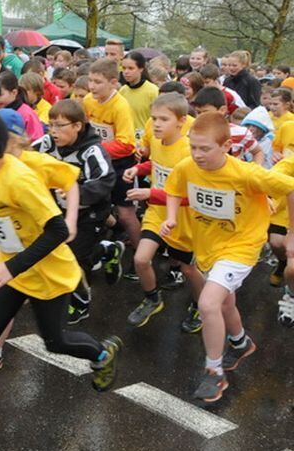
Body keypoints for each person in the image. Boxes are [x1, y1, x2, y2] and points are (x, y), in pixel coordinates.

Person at [0, 108, 121, 447]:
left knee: (55, 341)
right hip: (14, 270)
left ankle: (101, 354)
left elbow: (57, 230)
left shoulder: (20, 179)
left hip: (47, 272)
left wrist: (9, 267)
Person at [163, 112, 294, 402]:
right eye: (193, 146)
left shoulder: (246, 173)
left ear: (225, 146)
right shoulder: (187, 167)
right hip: (209, 246)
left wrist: (292, 236)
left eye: (205, 148)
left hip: (242, 246)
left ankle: (214, 372)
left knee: (208, 302)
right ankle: (241, 342)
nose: (197, 154)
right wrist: (171, 217)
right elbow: (173, 189)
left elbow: (290, 188)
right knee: (224, 302)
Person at [121, 94, 204, 330]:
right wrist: (138, 168)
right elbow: (157, 165)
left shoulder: (189, 152)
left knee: (188, 269)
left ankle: (201, 306)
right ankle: (152, 298)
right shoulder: (157, 142)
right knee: (140, 258)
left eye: (164, 119)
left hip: (183, 219)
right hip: (157, 213)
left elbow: (191, 197)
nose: (156, 124)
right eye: (154, 118)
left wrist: (151, 194)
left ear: (181, 121)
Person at [34, 98, 119, 324]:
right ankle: (105, 251)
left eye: (60, 125)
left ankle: (81, 302)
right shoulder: (46, 143)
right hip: (59, 211)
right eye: (50, 124)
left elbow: (105, 179)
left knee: (73, 258)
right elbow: (23, 157)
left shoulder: (92, 151)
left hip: (89, 213)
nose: (53, 131)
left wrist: (77, 192)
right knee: (59, 252)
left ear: (77, 126)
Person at [82, 57, 138, 267]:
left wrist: (96, 147)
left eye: (98, 82)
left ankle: (139, 257)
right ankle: (107, 242)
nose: (92, 86)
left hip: (121, 164)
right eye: (90, 80)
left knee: (125, 213)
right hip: (99, 161)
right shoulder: (88, 100)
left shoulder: (121, 106)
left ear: (113, 82)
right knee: (92, 206)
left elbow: (127, 144)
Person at [119, 50, 159, 141]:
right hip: (126, 140)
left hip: (145, 142)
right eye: (124, 68)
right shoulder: (123, 90)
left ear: (141, 69)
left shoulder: (153, 91)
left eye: (131, 68)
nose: (126, 72)